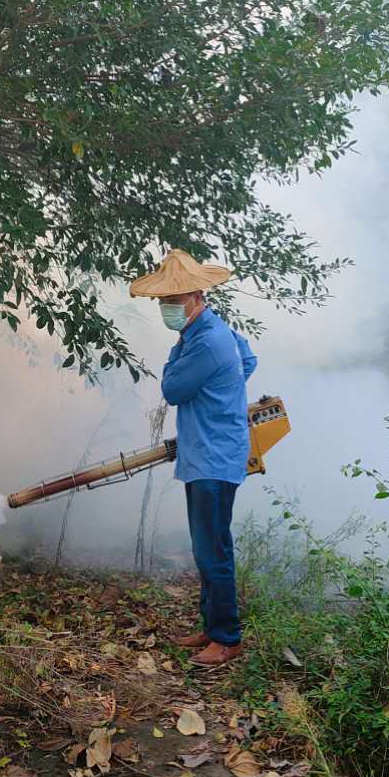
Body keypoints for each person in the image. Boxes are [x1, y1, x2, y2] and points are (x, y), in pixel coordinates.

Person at [129, 248, 257, 668]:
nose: (166, 307)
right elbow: (248, 360)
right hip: (213, 450)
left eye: (173, 299)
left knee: (211, 550)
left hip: (212, 457)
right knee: (208, 547)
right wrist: (223, 394)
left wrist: (177, 360)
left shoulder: (204, 342)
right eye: (163, 301)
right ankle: (211, 626)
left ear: (196, 297)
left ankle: (227, 638)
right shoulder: (217, 331)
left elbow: (172, 389)